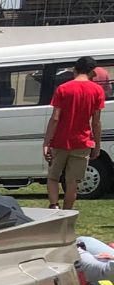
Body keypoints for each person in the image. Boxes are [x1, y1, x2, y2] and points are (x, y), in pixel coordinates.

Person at [44, 55, 105, 210]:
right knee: (72, 182)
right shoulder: (97, 90)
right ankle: (67, 213)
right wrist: (97, 145)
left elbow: (55, 118)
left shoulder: (63, 89)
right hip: (82, 141)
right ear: (92, 71)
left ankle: (54, 205)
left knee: (53, 177)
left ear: (75, 69)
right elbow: (96, 122)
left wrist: (46, 142)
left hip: (60, 141)